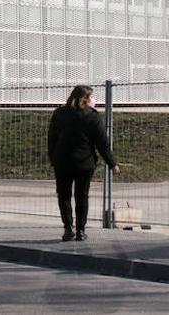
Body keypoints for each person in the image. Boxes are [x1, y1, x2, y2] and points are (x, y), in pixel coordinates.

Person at [46, 84, 119, 241]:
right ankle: (80, 230)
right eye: (91, 96)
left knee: (64, 195)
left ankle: (68, 228)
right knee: (82, 196)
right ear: (84, 99)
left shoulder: (59, 114)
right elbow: (102, 143)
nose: (93, 99)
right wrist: (112, 163)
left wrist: (53, 158)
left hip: (62, 162)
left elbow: (51, 138)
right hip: (84, 163)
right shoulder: (92, 116)